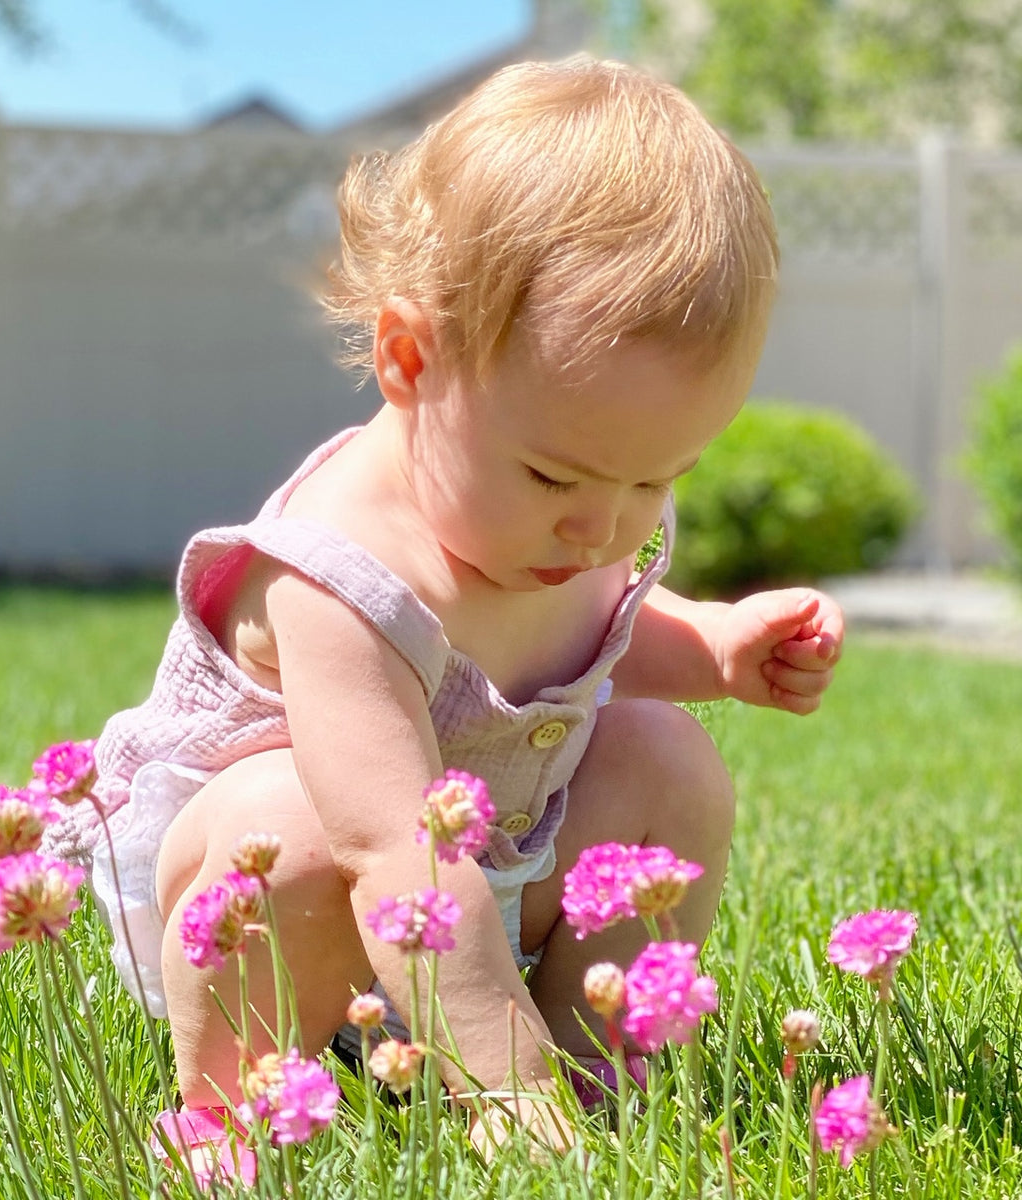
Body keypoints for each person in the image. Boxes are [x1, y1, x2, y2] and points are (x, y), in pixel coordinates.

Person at [48, 55, 843, 1180]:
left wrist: (713, 648)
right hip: (282, 929)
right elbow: (390, 845)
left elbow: (591, 630)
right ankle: (228, 1114)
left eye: (657, 482)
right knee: (301, 820)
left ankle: (593, 1081)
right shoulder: (334, 580)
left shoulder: (540, 521)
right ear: (408, 357)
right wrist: (494, 1078)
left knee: (670, 756)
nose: (603, 531)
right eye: (560, 478)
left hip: (486, 907)